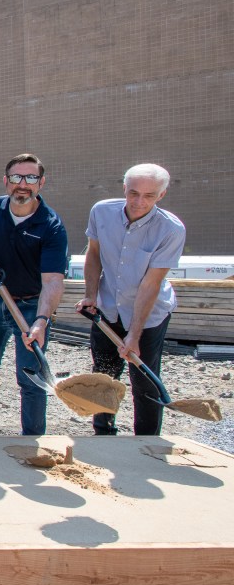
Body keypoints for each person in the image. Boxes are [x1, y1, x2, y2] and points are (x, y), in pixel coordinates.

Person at [0, 154, 68, 436]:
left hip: (32, 306)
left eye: (31, 178)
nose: (23, 184)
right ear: (6, 181)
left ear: (41, 182)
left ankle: (32, 439)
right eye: (17, 177)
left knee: (31, 378)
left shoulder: (51, 226)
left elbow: (53, 281)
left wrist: (42, 321)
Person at [76, 163, 185, 436]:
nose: (138, 202)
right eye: (133, 193)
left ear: (161, 196)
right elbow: (94, 254)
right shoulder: (102, 212)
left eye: (149, 196)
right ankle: (103, 433)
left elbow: (151, 283)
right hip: (108, 308)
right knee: (103, 375)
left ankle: (145, 442)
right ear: (124, 188)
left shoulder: (171, 229)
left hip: (149, 315)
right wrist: (90, 296)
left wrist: (134, 334)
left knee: (144, 380)